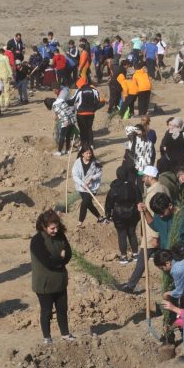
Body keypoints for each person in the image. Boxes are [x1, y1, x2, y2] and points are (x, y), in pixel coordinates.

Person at [30, 209, 74, 344]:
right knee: (47, 311)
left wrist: (61, 258)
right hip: (44, 283)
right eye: (52, 228)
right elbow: (47, 261)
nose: (55, 230)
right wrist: (60, 258)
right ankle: (47, 337)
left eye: (57, 227)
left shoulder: (60, 236)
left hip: (60, 281)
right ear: (44, 226)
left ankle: (65, 334)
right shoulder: (37, 241)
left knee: (62, 309)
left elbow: (68, 254)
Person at [104, 165, 141, 264]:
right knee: (132, 233)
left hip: (119, 214)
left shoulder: (114, 188)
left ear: (117, 175)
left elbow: (109, 203)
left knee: (122, 235)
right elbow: (139, 200)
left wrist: (108, 214)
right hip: (133, 213)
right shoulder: (134, 186)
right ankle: (135, 254)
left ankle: (124, 256)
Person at [72, 146, 104, 227]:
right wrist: (83, 184)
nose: (89, 155)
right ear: (83, 154)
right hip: (81, 188)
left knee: (85, 202)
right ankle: (100, 217)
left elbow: (99, 173)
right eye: (87, 153)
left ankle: (80, 222)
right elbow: (75, 176)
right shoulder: (77, 162)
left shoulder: (95, 162)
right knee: (88, 203)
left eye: (90, 153)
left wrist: (92, 178)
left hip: (92, 188)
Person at [72, 80, 101, 149]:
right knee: (89, 128)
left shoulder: (79, 91)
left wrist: (65, 102)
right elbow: (98, 102)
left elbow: (73, 100)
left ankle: (84, 144)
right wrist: (93, 109)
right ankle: (91, 144)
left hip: (81, 113)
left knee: (82, 129)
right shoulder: (94, 90)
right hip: (91, 112)